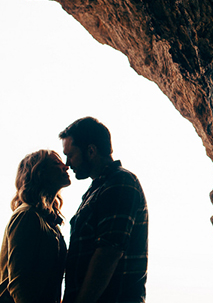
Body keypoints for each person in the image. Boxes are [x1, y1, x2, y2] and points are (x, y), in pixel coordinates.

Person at [60, 116, 148, 303]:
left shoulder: (120, 183)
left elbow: (108, 252)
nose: (67, 163)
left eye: (70, 155)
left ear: (91, 151)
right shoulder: (99, 189)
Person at [0, 150, 71, 303]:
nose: (66, 166)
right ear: (39, 173)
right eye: (57, 163)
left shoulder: (50, 223)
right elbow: (19, 283)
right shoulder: (27, 215)